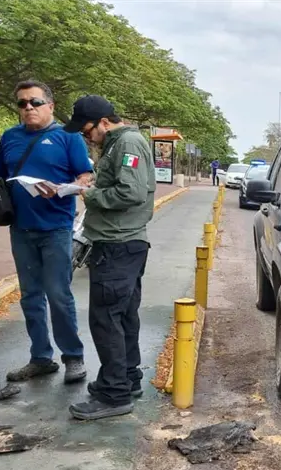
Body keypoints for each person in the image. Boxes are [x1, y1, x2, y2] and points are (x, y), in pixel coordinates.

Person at [0, 80, 93, 384]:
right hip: (21, 229)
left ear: (50, 105)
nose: (28, 108)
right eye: (22, 103)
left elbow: (85, 175)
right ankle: (40, 358)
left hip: (56, 229)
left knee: (59, 294)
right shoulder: (10, 137)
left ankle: (73, 357)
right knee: (30, 296)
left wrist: (67, 187)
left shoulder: (68, 137)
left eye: (35, 102)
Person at [62, 95, 155, 420]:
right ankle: (126, 379)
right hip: (122, 243)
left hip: (118, 244)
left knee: (106, 319)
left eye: (87, 130)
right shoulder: (118, 143)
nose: (86, 136)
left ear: (104, 122)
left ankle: (114, 394)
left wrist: (91, 194)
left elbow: (131, 192)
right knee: (123, 316)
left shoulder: (127, 143)